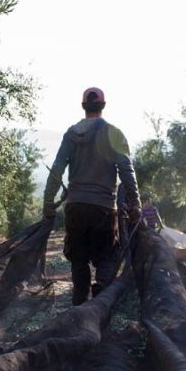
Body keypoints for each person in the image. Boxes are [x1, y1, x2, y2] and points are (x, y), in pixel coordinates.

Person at [43, 87, 141, 305]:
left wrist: (48, 202)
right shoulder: (113, 133)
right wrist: (136, 204)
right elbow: (126, 170)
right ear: (103, 106)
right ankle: (100, 297)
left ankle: (79, 305)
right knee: (106, 257)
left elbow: (58, 168)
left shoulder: (71, 133)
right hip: (103, 209)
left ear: (83, 106)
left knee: (78, 259)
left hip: (75, 207)